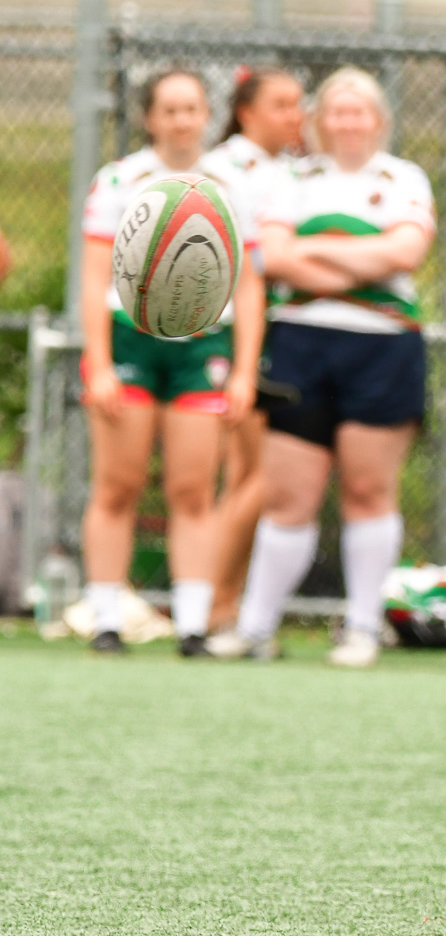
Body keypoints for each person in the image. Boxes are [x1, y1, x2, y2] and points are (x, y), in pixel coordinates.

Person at [214, 67, 435, 668]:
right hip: (301, 347)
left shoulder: (403, 179)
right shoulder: (293, 178)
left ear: (379, 119)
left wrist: (319, 252)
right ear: (319, 120)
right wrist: (363, 263)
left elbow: (406, 251)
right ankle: (256, 627)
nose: (347, 121)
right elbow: (276, 256)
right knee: (289, 494)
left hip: (383, 348)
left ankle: (363, 626)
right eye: (335, 109)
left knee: (368, 488)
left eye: (358, 109)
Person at [79, 68, 263, 656]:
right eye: (171, 109)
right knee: (118, 483)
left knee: (192, 488)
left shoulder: (229, 183)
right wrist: (100, 363)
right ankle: (106, 617)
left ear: (206, 115)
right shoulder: (120, 180)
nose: (183, 120)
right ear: (150, 117)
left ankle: (191, 624)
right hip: (130, 341)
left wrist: (244, 368)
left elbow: (252, 285)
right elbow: (91, 277)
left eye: (192, 108)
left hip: (204, 346)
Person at [203, 68, 305, 640]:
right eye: (281, 104)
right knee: (252, 477)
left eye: (298, 104)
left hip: (278, 332)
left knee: (253, 477)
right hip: (233, 333)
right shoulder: (224, 170)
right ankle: (213, 606)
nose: (295, 115)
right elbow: (251, 261)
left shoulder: (287, 170)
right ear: (246, 111)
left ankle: (226, 606)